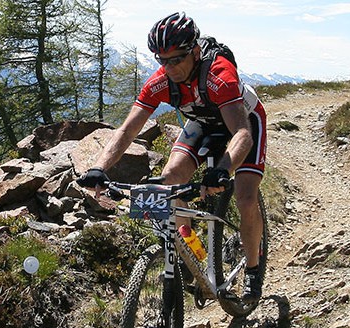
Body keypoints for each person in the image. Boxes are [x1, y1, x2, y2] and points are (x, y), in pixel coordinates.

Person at [76, 12, 267, 303]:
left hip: (244, 121)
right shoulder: (161, 81)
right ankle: (190, 250)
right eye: (162, 61)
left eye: (176, 59)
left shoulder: (219, 74)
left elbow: (242, 133)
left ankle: (253, 268)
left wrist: (223, 169)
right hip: (202, 123)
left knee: (245, 197)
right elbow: (127, 130)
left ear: (195, 51)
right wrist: (99, 167)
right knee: (169, 181)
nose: (169, 68)